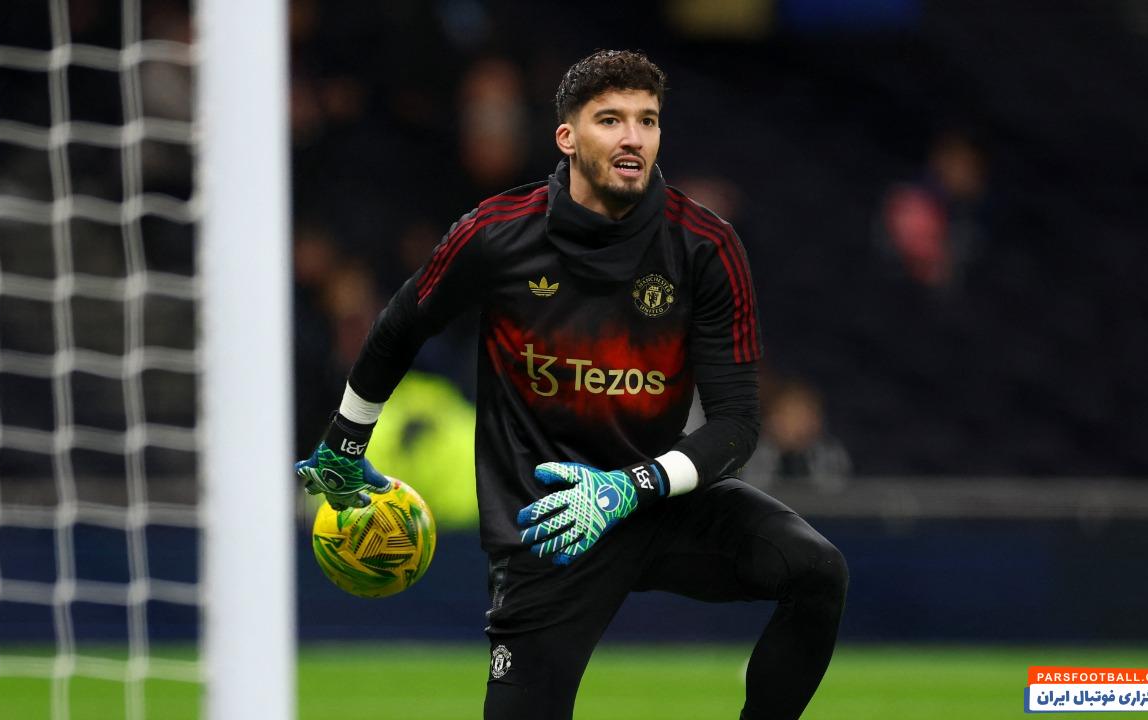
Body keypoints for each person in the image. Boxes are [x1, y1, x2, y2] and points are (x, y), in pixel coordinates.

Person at [295, 50, 848, 720]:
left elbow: (736, 425)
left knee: (817, 571)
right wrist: (345, 442)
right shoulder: (497, 233)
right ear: (567, 136)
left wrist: (628, 488)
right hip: (549, 524)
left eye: (647, 120)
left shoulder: (705, 246)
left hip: (650, 499)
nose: (633, 137)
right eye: (610, 119)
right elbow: (396, 330)